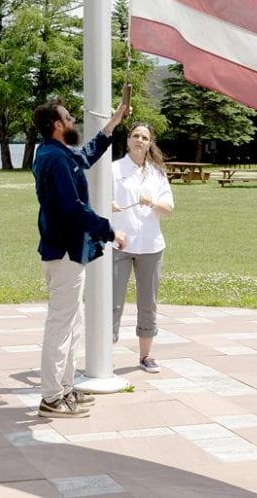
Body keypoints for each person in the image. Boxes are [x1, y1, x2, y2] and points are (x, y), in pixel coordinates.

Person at [31, 100, 128, 419]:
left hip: (69, 251)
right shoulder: (54, 159)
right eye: (68, 118)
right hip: (64, 252)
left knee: (72, 322)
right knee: (61, 324)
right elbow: (72, 209)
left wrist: (112, 122)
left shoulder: (56, 153)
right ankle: (51, 398)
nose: (73, 121)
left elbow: (86, 155)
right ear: (57, 125)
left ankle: (64, 388)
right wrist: (110, 231)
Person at [111, 121, 174, 374]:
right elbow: (94, 200)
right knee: (113, 302)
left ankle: (146, 356)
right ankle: (105, 356)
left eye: (145, 137)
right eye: (135, 136)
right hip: (119, 244)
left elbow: (169, 208)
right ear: (127, 140)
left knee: (148, 303)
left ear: (150, 143)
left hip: (151, 246)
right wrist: (110, 203)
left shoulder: (157, 173)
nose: (139, 140)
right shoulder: (114, 170)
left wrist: (154, 201)